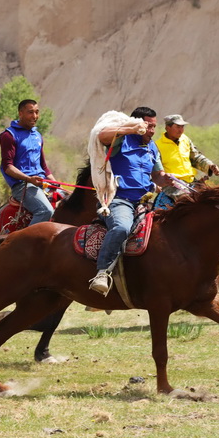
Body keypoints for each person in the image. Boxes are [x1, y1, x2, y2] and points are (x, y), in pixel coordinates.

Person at [88, 106, 171, 296]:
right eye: (148, 126)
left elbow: (158, 175)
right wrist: (131, 128)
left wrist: (166, 180)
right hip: (119, 201)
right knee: (122, 228)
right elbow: (101, 135)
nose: (151, 131)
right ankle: (102, 273)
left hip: (146, 202)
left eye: (153, 127)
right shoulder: (121, 140)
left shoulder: (152, 147)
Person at [0, 99, 57, 226]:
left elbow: (44, 167)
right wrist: (29, 179)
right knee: (45, 211)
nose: (35, 116)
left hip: (42, 184)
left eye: (37, 112)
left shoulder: (37, 135)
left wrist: (58, 186)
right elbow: (8, 167)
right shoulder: (9, 135)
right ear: (20, 113)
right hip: (23, 186)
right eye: (30, 112)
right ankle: (24, 244)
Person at [154, 114, 219, 203]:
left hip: (192, 181)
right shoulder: (157, 146)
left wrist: (210, 165)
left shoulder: (185, 139)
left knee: (213, 197)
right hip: (172, 184)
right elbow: (155, 171)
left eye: (182, 127)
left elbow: (196, 157)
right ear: (167, 127)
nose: (181, 130)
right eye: (178, 126)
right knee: (189, 201)